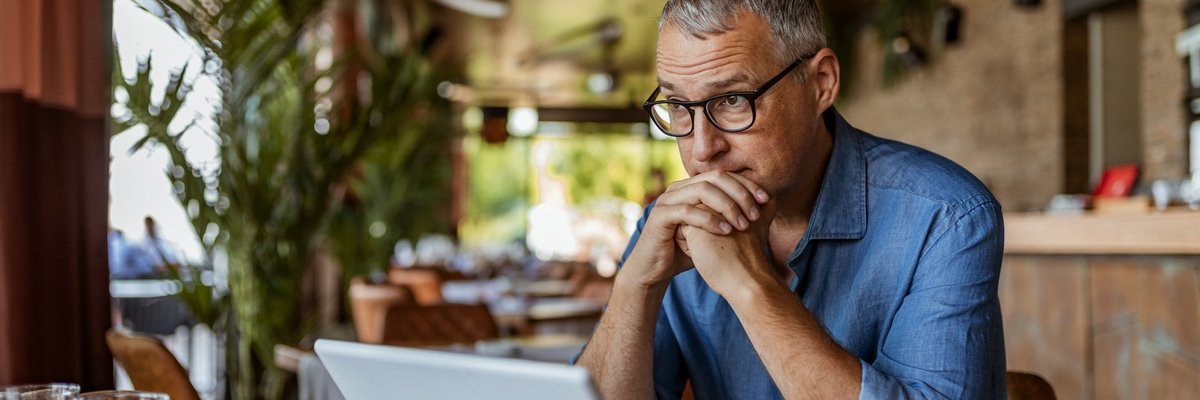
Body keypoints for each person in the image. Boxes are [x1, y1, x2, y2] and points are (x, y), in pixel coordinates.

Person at [574, 1, 1006, 399]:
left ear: (821, 83)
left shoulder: (946, 216)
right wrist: (635, 285)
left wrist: (749, 286)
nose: (702, 149)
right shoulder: (669, 224)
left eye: (732, 100)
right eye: (678, 105)